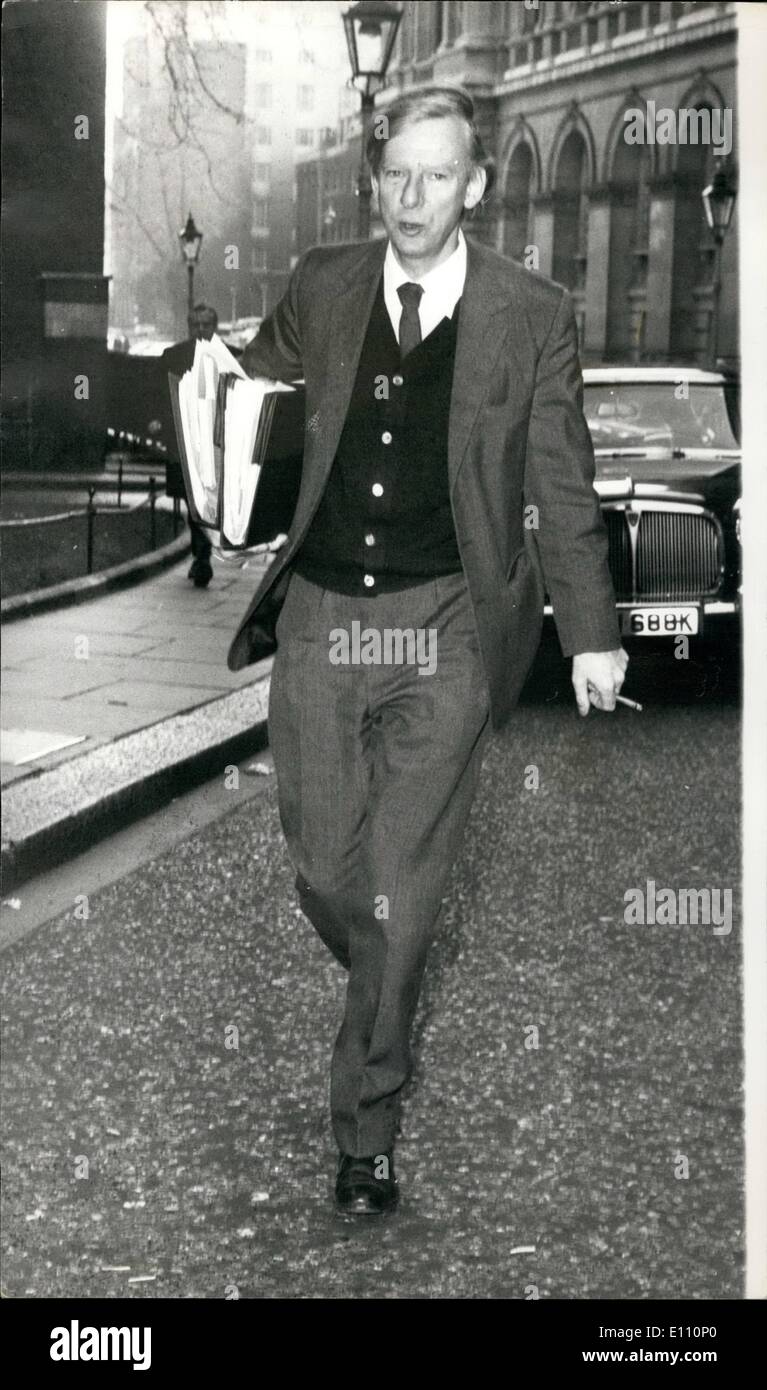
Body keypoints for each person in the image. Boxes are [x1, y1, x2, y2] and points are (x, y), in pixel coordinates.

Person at [228, 87, 629, 1216]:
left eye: (435, 175)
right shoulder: (323, 279)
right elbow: (246, 382)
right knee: (323, 867)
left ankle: (367, 1125)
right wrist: (202, 406)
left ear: (475, 186)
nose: (410, 198)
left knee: (400, 893)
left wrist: (590, 635)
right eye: (393, 174)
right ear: (375, 177)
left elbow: (560, 480)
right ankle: (379, 980)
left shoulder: (530, 312)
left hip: (447, 626)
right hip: (317, 615)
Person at [160, 303, 219, 587]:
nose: (200, 330)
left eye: (206, 324)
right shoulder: (173, 357)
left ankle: (202, 555)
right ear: (188, 326)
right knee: (193, 501)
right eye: (195, 324)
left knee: (204, 502)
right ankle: (202, 555)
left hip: (215, 445)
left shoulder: (230, 357)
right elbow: (159, 396)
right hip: (184, 444)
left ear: (214, 327)